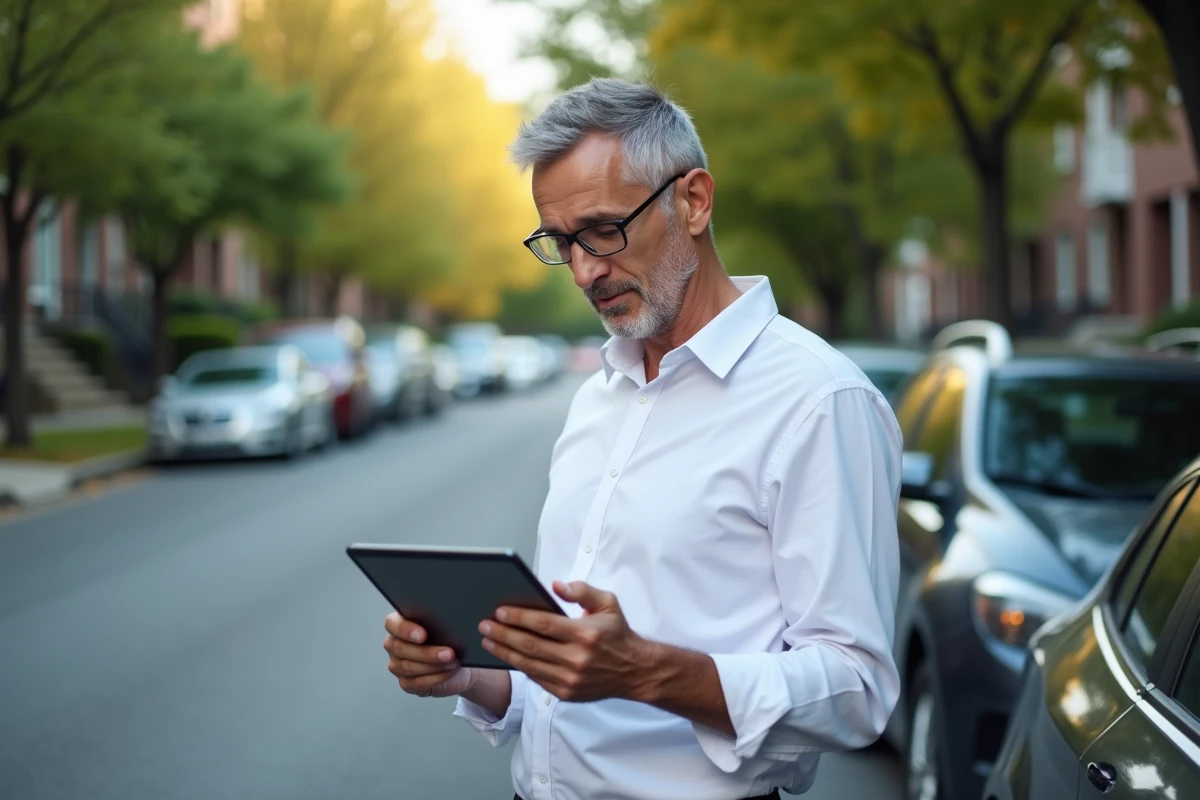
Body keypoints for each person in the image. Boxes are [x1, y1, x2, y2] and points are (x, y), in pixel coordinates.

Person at [383, 78, 903, 800]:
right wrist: (468, 676)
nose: (585, 270)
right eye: (561, 242)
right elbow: (569, 677)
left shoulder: (820, 400)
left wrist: (650, 672)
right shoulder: (599, 396)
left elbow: (858, 689)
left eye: (603, 229)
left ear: (693, 200)